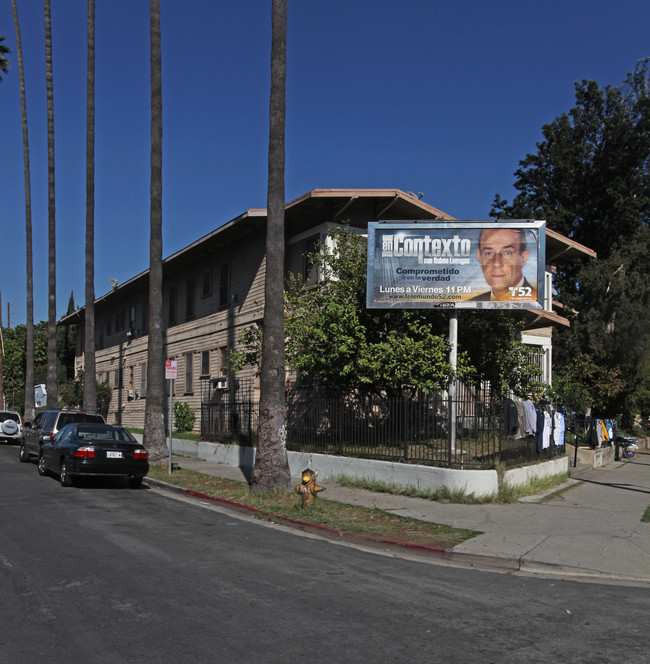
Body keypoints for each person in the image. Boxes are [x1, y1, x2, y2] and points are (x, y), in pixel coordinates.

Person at [470, 228, 537, 301]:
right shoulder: (471, 302)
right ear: (479, 257)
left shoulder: (535, 298)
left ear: (523, 258)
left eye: (507, 253)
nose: (496, 263)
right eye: (488, 253)